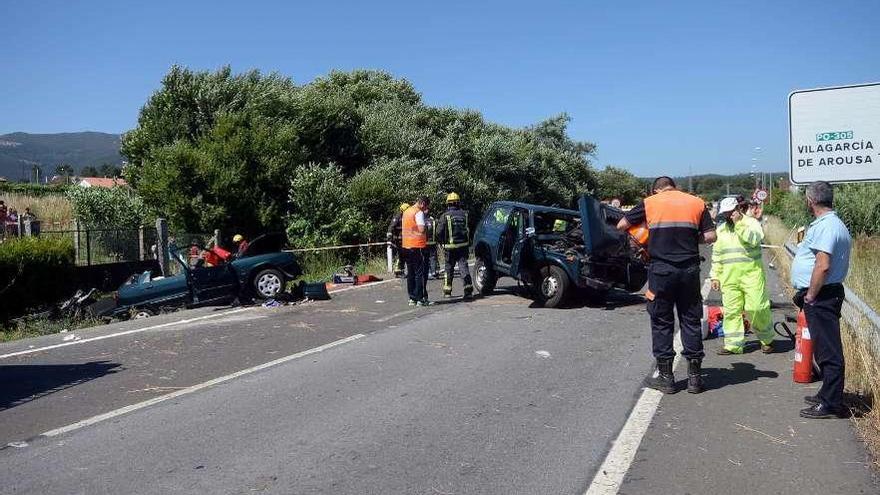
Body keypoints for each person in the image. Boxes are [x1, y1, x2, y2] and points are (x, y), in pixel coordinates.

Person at [616, 176, 716, 394]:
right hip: (689, 271)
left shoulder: (650, 203)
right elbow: (710, 236)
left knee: (662, 321)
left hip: (661, 271)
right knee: (690, 319)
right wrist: (690, 238)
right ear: (674, 187)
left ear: (656, 190)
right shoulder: (696, 202)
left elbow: (622, 225)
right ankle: (695, 379)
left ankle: (666, 378)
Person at [791, 181, 852, 419]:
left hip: (822, 295)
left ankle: (831, 402)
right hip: (825, 294)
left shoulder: (827, 226)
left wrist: (811, 295)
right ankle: (828, 394)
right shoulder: (830, 224)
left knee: (829, 351)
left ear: (811, 200)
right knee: (823, 347)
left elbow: (823, 265)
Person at [710, 196, 774, 355]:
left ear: (737, 210)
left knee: (757, 307)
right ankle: (733, 345)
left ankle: (766, 340)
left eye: (730, 213)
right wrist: (715, 276)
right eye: (725, 214)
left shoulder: (751, 223)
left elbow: (754, 240)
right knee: (731, 311)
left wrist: (739, 224)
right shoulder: (721, 229)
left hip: (752, 275)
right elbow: (717, 255)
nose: (727, 216)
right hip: (729, 277)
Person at [436, 192, 473, 299]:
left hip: (449, 248)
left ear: (448, 204)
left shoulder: (445, 216)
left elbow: (438, 232)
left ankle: (447, 292)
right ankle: (468, 290)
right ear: (458, 203)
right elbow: (469, 228)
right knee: (463, 267)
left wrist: (441, 242)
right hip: (463, 246)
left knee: (449, 269)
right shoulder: (465, 214)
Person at [401, 197, 432, 306]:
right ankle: (420, 298)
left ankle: (412, 298)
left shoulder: (407, 211)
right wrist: (427, 227)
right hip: (417, 246)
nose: (426, 209)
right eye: (426, 206)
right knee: (419, 273)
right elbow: (421, 229)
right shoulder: (418, 213)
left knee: (410, 273)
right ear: (422, 203)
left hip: (406, 246)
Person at [387, 203, 410, 277]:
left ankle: (400, 271)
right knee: (402, 255)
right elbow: (391, 226)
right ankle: (399, 270)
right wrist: (390, 237)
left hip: (404, 239)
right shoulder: (397, 217)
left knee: (403, 255)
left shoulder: (405, 217)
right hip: (399, 240)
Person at [425, 213, 440, 280]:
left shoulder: (422, 220)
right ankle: (434, 272)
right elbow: (438, 231)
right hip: (433, 243)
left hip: (424, 243)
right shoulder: (434, 221)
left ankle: (428, 273)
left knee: (425, 259)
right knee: (433, 258)